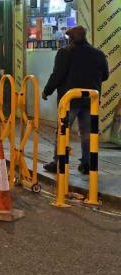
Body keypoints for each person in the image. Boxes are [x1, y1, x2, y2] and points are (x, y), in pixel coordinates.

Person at [41, 25, 108, 176]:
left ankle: (58, 162)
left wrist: (47, 90)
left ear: (70, 38)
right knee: (87, 133)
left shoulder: (65, 52)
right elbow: (105, 75)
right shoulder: (98, 54)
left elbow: (58, 75)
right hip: (90, 100)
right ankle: (87, 163)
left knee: (63, 131)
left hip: (69, 100)